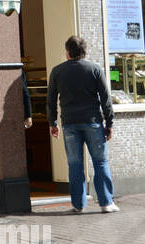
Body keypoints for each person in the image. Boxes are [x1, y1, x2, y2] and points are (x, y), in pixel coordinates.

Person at [46, 35, 117, 213]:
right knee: (100, 162)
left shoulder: (57, 71)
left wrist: (52, 122)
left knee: (74, 165)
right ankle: (106, 203)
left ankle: (78, 205)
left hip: (69, 123)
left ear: (68, 52)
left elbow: (51, 100)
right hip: (93, 122)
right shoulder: (94, 69)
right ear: (84, 51)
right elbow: (105, 98)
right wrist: (109, 123)